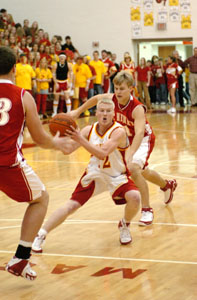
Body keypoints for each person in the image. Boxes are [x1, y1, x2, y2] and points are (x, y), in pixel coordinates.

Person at [68, 71, 177, 226]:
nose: (118, 91)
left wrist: (130, 154)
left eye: (122, 88)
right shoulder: (111, 99)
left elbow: (139, 132)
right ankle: (166, 185)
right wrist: (77, 112)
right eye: (116, 88)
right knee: (142, 171)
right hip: (124, 138)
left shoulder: (137, 108)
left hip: (143, 139)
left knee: (132, 167)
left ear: (131, 89)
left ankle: (146, 209)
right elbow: (95, 99)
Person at [32, 98, 141, 252]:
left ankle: (124, 224)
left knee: (135, 197)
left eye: (108, 111)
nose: (105, 114)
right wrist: (57, 141)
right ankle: (40, 235)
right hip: (94, 173)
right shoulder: (87, 130)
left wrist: (80, 139)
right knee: (71, 206)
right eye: (101, 110)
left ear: (113, 114)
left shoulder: (119, 131)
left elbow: (102, 153)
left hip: (116, 175)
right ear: (96, 113)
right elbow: (67, 150)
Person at [0, 46, 69, 280]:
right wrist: (57, 144)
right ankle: (21, 257)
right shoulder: (22, 95)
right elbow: (39, 138)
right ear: (14, 68)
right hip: (7, 164)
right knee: (41, 199)